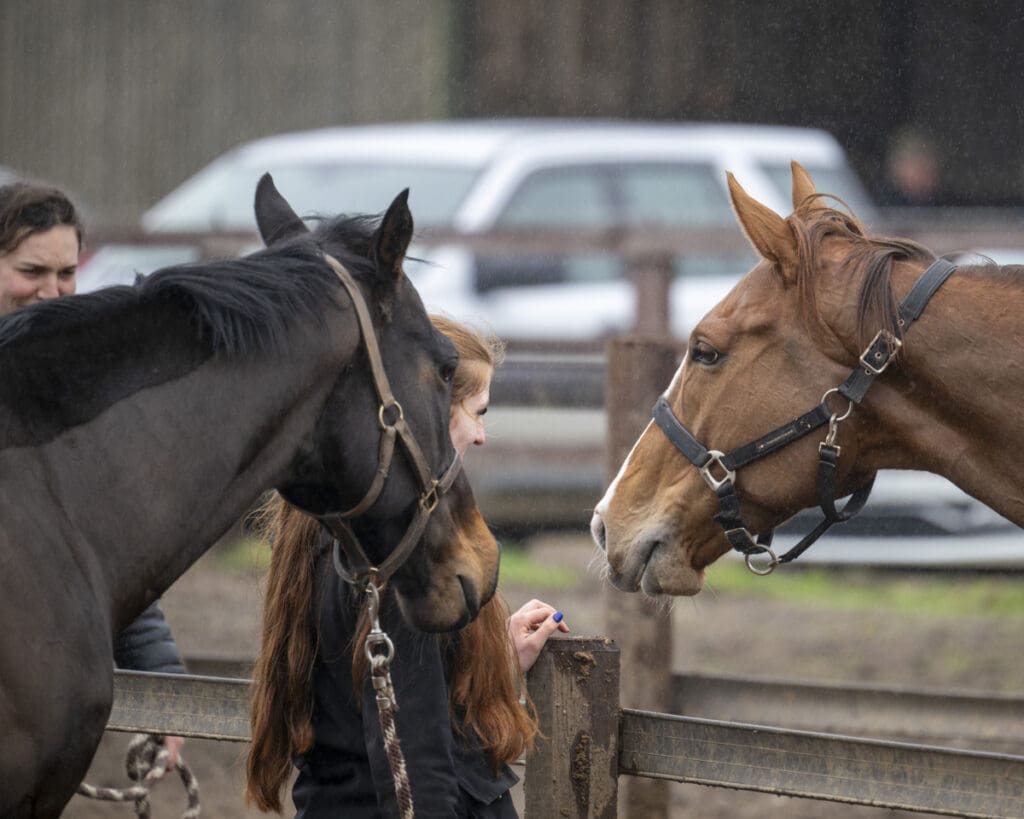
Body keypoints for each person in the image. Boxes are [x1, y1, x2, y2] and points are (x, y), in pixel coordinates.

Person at [247, 315, 569, 817]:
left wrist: (490, 658)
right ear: (431, 413)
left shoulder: (324, 519)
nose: (481, 435)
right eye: (477, 412)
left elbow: (375, 695)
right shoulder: (399, 552)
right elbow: (413, 757)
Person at [0, 181, 187, 765]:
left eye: (66, 274)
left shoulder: (71, 394)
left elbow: (105, 544)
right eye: (31, 270)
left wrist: (161, 683)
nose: (51, 293)